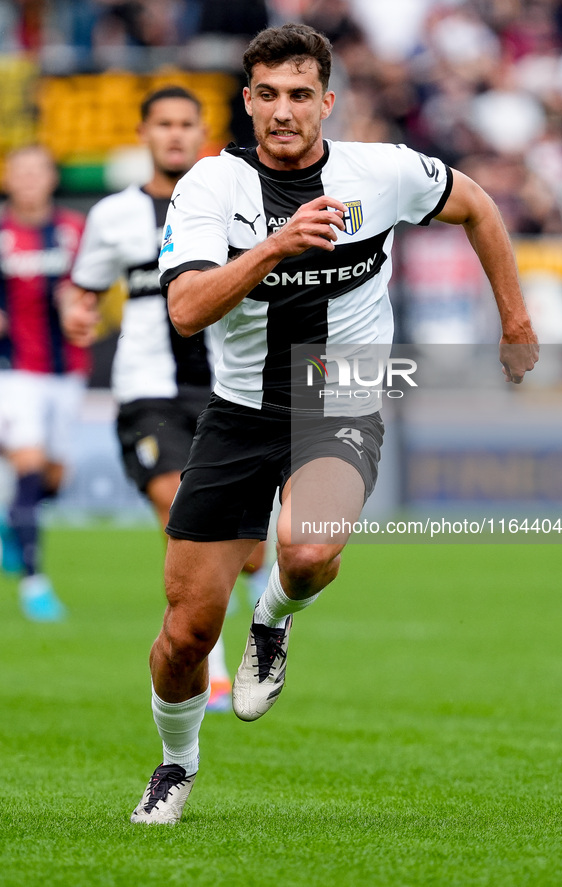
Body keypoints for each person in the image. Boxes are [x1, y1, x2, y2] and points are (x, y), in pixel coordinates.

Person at [129, 23, 538, 825]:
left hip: (339, 391)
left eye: (300, 96)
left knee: (310, 550)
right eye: (268, 96)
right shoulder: (210, 187)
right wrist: (275, 246)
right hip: (240, 409)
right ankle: (175, 766)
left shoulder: (379, 173)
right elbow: (185, 308)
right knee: (183, 636)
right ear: (247, 101)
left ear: (327, 101)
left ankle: (271, 621)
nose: (284, 112)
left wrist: (515, 323)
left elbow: (479, 206)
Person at [61, 85, 266, 712]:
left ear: (200, 130)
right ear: (144, 134)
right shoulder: (113, 216)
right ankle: (217, 665)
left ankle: (258, 624)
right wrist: (77, 315)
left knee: (254, 553)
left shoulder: (234, 201)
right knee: (177, 508)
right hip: (147, 390)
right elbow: (84, 292)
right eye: (163, 125)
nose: (175, 134)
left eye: (185, 124)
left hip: (226, 386)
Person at [0, 145, 88, 621]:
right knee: (29, 464)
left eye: (38, 171)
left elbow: (95, 292)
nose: (30, 180)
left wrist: (83, 310)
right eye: (21, 171)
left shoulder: (74, 231)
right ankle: (34, 581)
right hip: (14, 371)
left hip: (66, 371)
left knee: (53, 479)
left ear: (51, 178)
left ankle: (9, 522)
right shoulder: (1, 234)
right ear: (9, 179)